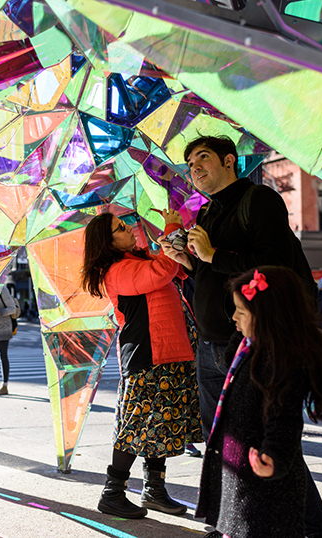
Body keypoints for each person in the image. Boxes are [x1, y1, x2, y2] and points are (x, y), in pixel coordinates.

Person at [163, 135, 322, 538]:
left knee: (270, 440)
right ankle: (231, 519)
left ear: (229, 160)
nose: (194, 167)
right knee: (223, 441)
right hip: (210, 342)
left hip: (247, 344)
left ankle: (314, 529)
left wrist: (212, 256)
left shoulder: (259, 200)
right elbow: (211, 276)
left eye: (202, 157)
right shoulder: (206, 214)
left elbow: (274, 266)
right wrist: (187, 262)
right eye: (189, 163)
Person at [196, 267, 322, 537]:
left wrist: (273, 456)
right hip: (242, 468)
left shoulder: (281, 360)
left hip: (263, 481)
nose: (233, 317)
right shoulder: (252, 346)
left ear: (267, 316)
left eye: (241, 311)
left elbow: (284, 416)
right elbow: (231, 360)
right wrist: (245, 330)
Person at [81, 212, 201, 519]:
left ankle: (154, 490)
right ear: (108, 244)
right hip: (148, 356)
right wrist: (172, 229)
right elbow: (161, 271)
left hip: (169, 353)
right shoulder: (118, 270)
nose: (129, 229)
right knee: (136, 426)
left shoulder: (135, 261)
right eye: (120, 229)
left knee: (160, 425)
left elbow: (172, 270)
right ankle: (112, 493)